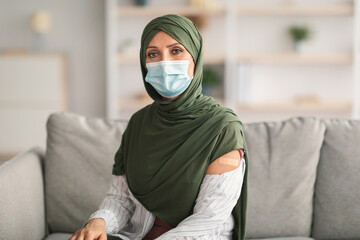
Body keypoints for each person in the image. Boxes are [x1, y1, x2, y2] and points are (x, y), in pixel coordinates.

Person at [69, 14, 249, 240]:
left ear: (196, 57)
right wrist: (98, 222)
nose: (164, 63)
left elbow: (209, 218)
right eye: (153, 54)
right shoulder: (138, 123)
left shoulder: (223, 128)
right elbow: (121, 199)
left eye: (176, 51)